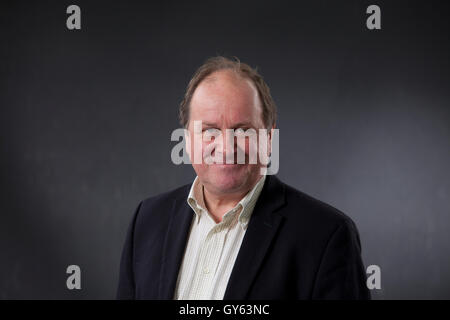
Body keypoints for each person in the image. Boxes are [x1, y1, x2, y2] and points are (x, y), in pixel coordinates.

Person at [117, 56, 370, 300]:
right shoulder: (147, 220)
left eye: (243, 130)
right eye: (209, 130)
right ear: (187, 139)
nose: (226, 147)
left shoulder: (326, 235)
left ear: (269, 138)